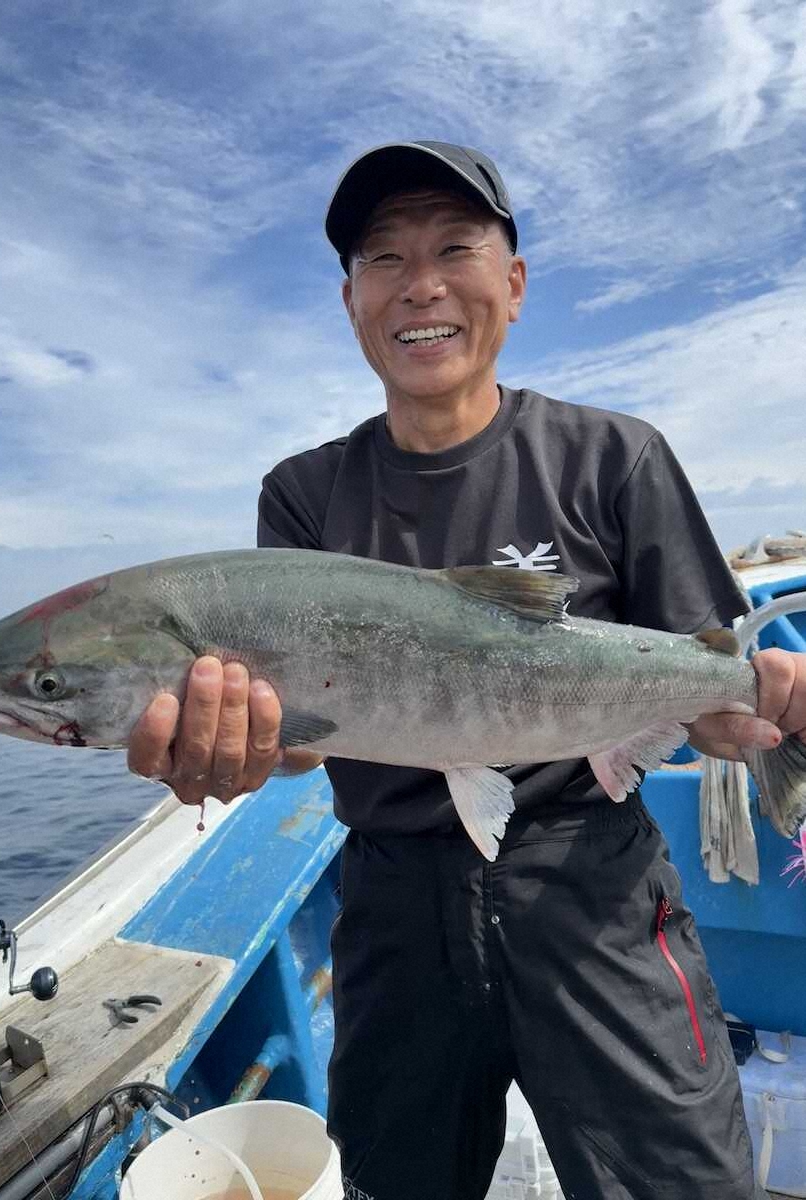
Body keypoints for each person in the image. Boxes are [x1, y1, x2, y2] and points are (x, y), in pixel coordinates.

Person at [128, 142, 806, 1200]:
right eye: (384, 257)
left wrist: (756, 716)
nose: (422, 282)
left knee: (677, 1181)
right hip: (394, 904)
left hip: (595, 883)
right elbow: (301, 742)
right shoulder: (304, 497)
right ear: (352, 300)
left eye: (454, 247)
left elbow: (711, 679)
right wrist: (234, 754)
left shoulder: (612, 458)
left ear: (516, 284)